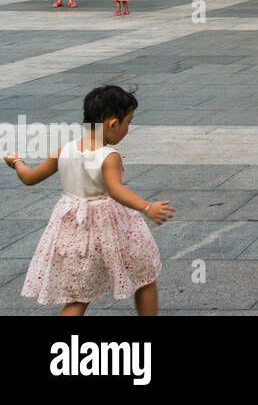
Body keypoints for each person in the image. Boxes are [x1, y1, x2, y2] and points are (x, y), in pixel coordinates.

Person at [4, 85, 173, 315]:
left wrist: (16, 162)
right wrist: (146, 206)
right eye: (128, 123)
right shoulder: (108, 156)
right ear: (113, 124)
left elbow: (30, 178)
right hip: (112, 230)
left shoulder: (63, 150)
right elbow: (115, 190)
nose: (128, 129)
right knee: (144, 276)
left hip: (75, 231)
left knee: (79, 297)